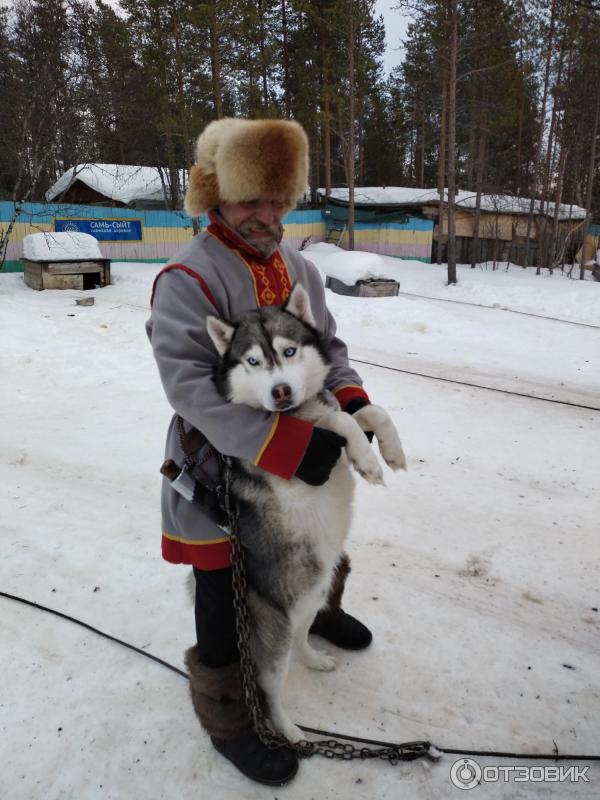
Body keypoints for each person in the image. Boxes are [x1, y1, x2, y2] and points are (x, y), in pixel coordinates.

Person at [146, 117, 376, 786]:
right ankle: (227, 713)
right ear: (218, 195)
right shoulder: (188, 277)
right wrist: (279, 444)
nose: (266, 215)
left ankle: (317, 616)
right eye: (251, 199)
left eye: (278, 199)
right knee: (224, 583)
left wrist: (353, 402)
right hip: (219, 461)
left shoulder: (299, 265)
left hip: (309, 442)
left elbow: (328, 350)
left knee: (321, 540)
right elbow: (189, 387)